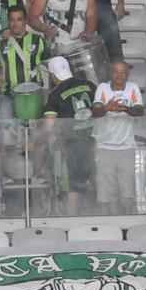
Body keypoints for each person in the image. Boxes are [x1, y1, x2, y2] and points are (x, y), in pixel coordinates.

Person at [43, 57, 96, 216]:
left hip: (73, 144)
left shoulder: (55, 94)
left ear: (53, 75)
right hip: (95, 140)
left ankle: (72, 218)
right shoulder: (89, 85)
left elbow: (49, 125)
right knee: (97, 180)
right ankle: (100, 216)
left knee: (74, 185)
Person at [92, 61, 144, 216]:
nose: (119, 76)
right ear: (111, 73)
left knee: (127, 188)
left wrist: (125, 108)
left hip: (126, 146)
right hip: (104, 146)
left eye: (123, 73)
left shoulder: (132, 88)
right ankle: (106, 222)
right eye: (116, 72)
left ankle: (128, 221)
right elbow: (95, 111)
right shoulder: (102, 88)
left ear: (127, 74)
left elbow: (139, 110)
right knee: (105, 189)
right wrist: (107, 108)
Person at [0, 5, 49, 93]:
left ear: (25, 21)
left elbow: (48, 66)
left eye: (19, 19)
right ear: (8, 22)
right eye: (12, 20)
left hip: (34, 94)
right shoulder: (0, 45)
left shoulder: (38, 41)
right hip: (8, 94)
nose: (15, 23)